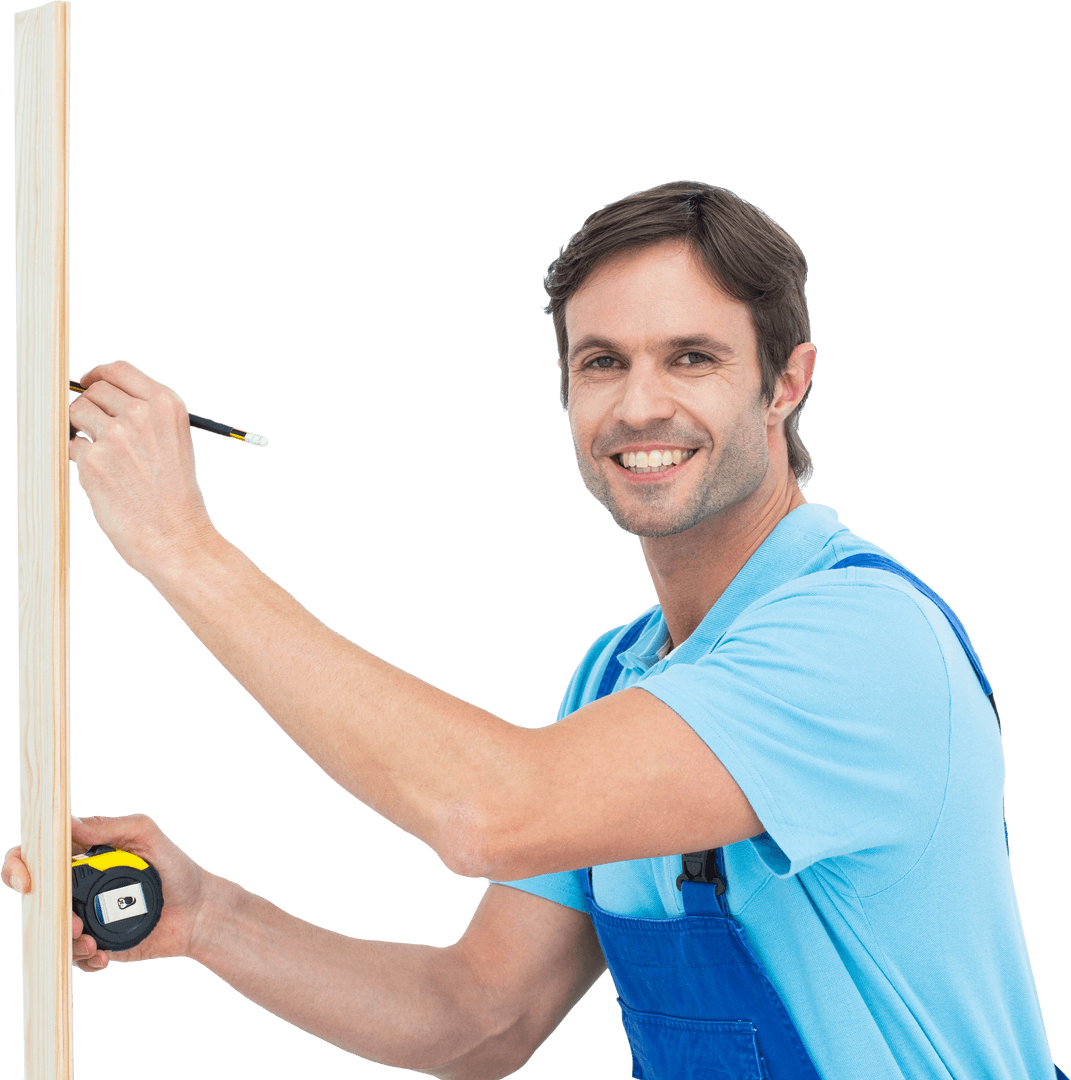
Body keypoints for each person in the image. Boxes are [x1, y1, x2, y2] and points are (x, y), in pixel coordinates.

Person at [2, 182, 1061, 1080]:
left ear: (786, 383)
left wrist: (181, 546)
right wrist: (210, 918)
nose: (638, 406)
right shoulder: (618, 678)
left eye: (692, 357)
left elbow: (487, 814)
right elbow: (479, 1017)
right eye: (601, 362)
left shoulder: (862, 642)